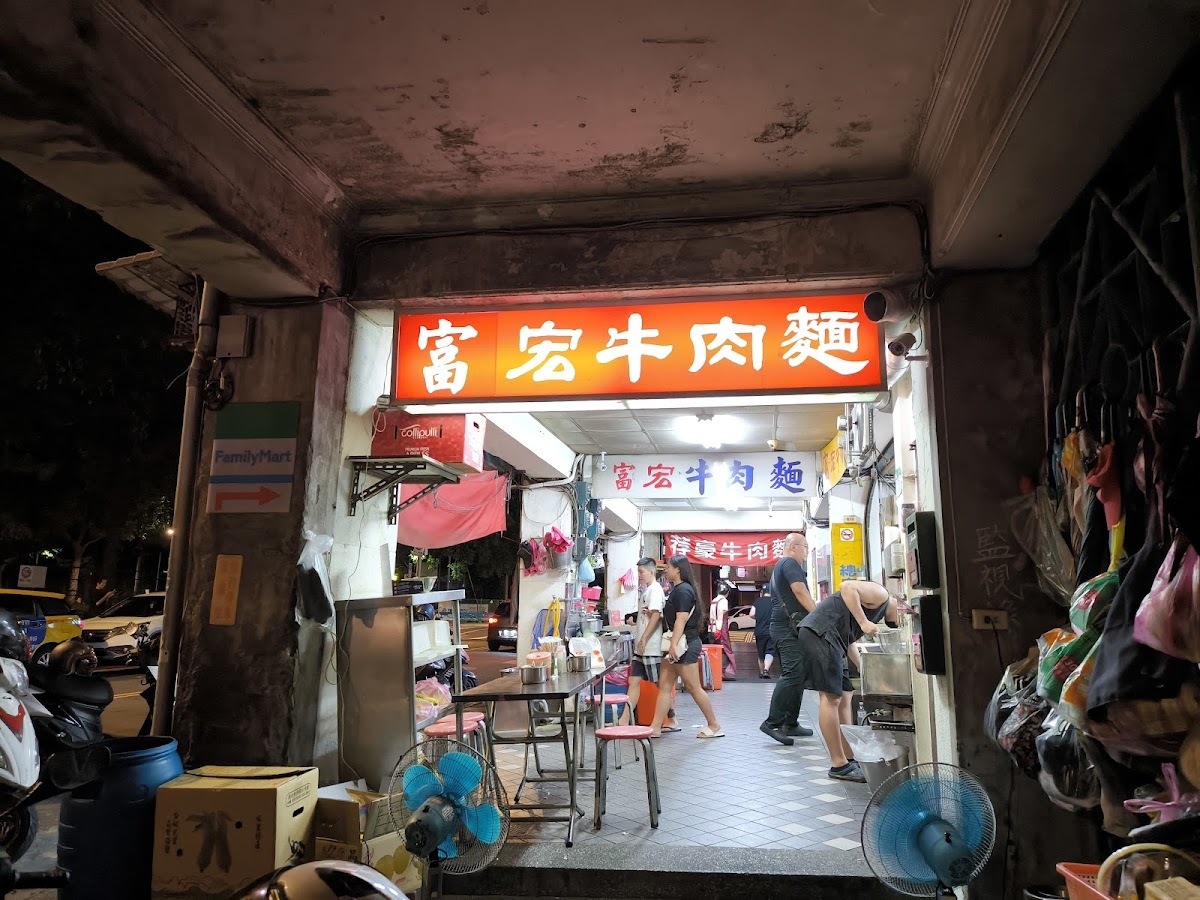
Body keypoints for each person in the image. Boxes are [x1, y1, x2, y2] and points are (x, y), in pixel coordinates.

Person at [795, 579, 900, 782]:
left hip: (831, 637)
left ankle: (849, 757)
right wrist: (863, 621)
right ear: (900, 604)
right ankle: (838, 764)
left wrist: (862, 667)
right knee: (831, 698)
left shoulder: (876, 609)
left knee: (845, 695)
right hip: (820, 632)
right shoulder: (882, 594)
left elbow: (849, 639)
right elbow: (847, 587)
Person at [650, 554, 723, 739]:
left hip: (685, 645)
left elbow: (680, 620)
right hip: (677, 645)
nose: (666, 570)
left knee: (693, 687)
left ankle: (714, 725)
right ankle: (655, 727)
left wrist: (673, 645)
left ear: (678, 570)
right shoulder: (679, 590)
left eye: (668, 567)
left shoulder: (683, 591)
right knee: (665, 686)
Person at [760, 531, 817, 745]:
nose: (806, 553)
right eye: (805, 548)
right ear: (793, 547)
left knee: (798, 674)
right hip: (786, 627)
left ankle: (791, 723)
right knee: (793, 673)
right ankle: (773, 723)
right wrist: (818, 616)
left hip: (787, 627)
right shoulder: (790, 564)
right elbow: (800, 592)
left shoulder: (780, 566)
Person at [629, 558, 679, 732]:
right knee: (633, 682)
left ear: (651, 572)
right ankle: (623, 720)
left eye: (641, 572)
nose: (639, 576)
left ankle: (671, 720)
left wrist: (644, 638)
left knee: (661, 686)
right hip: (642, 648)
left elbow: (656, 616)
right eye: (639, 572)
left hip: (651, 647)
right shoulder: (648, 590)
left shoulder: (655, 590)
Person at [753, 585, 775, 678]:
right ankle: (766, 669)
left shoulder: (757, 601)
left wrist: (758, 617)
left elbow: (751, 614)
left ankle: (761, 672)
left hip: (759, 631)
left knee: (760, 652)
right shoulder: (774, 602)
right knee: (770, 651)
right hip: (771, 631)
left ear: (762, 592)